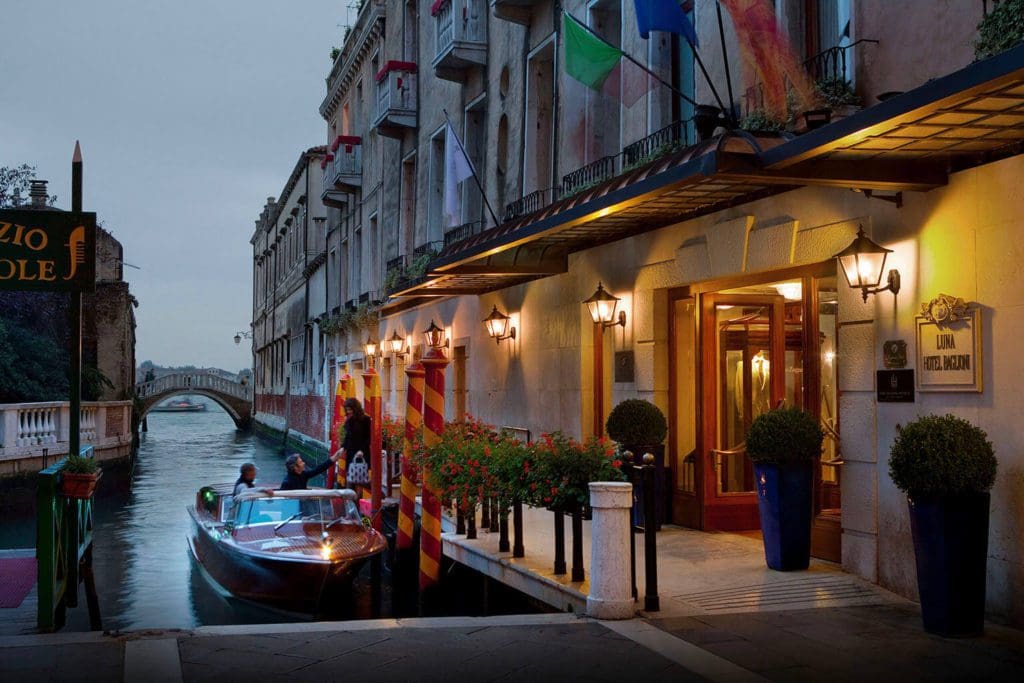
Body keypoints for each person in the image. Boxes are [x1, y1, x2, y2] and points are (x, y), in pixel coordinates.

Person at [337, 397, 372, 494]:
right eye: (347, 410)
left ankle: (373, 493)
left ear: (355, 408)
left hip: (362, 452)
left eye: (350, 409)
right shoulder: (349, 421)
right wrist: (343, 448)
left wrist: (362, 450)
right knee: (351, 477)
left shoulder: (366, 420)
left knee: (359, 478)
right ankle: (351, 502)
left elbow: (368, 437)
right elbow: (348, 437)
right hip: (351, 452)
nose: (348, 412)